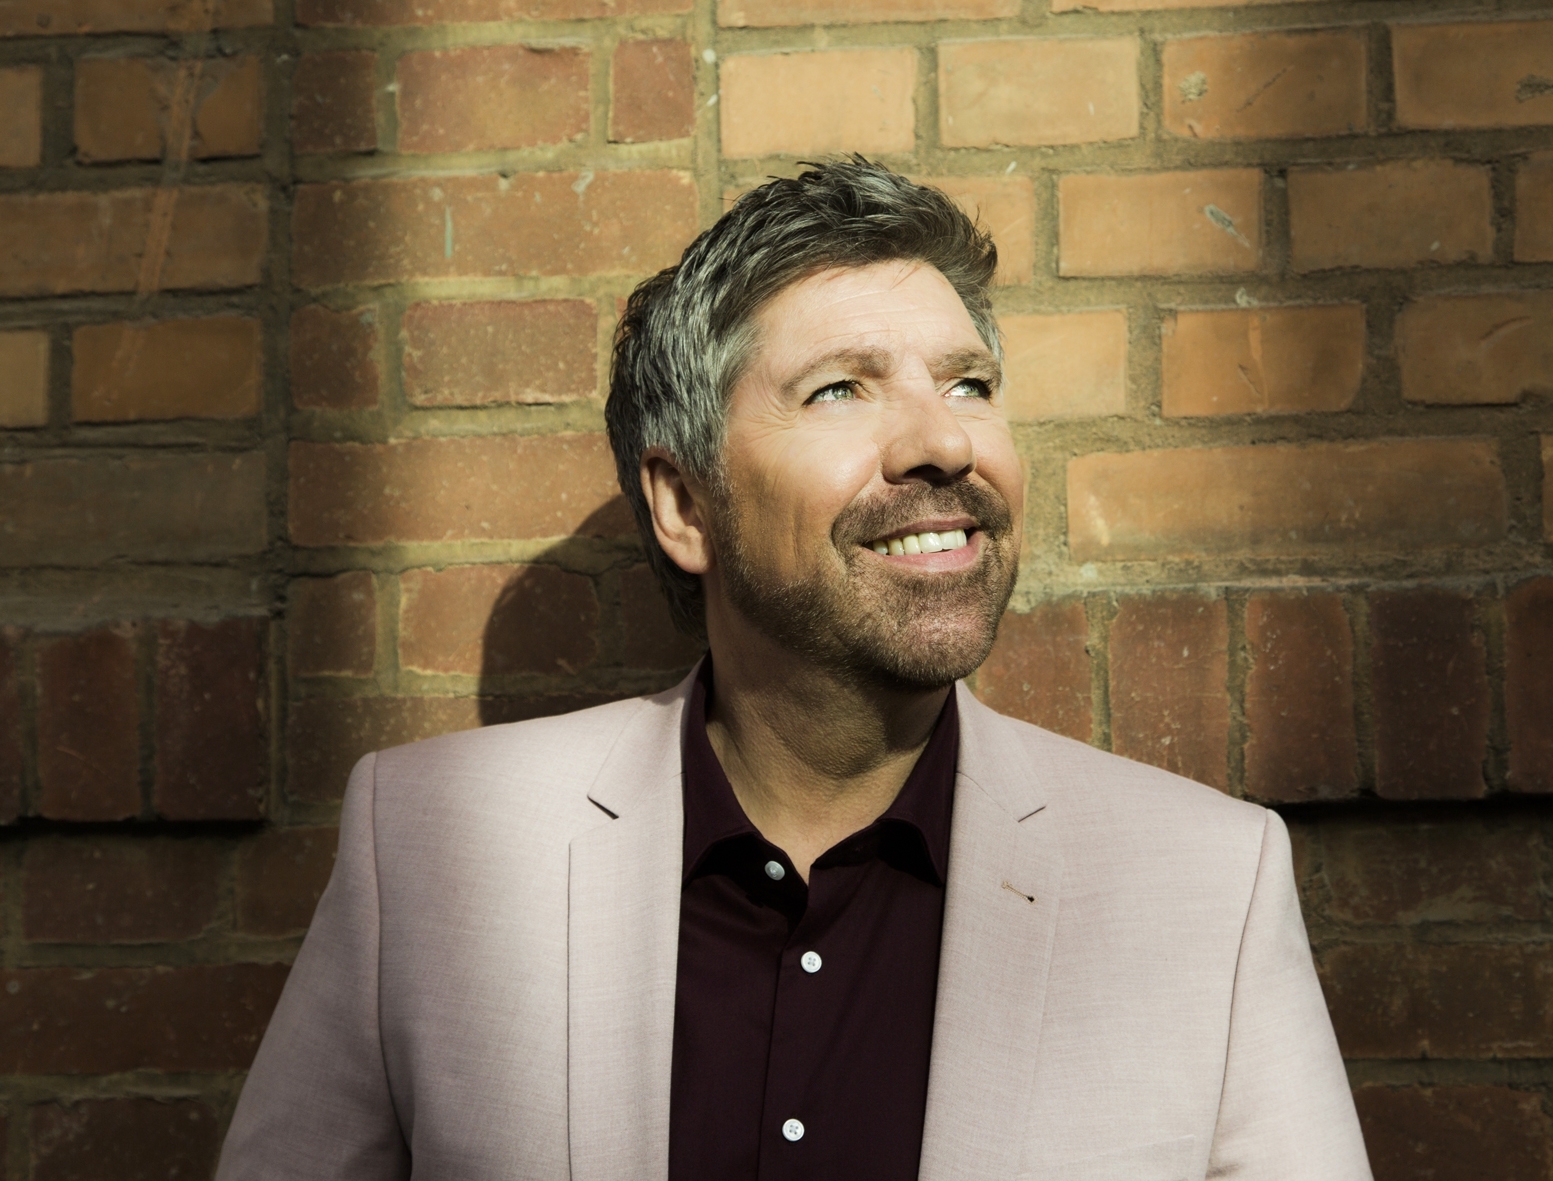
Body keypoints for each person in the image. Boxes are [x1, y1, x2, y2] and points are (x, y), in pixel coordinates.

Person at [217, 158, 1371, 1181]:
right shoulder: (428, 848)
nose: (944, 440)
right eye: (840, 388)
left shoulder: (1207, 886)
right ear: (684, 503)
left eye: (967, 383)